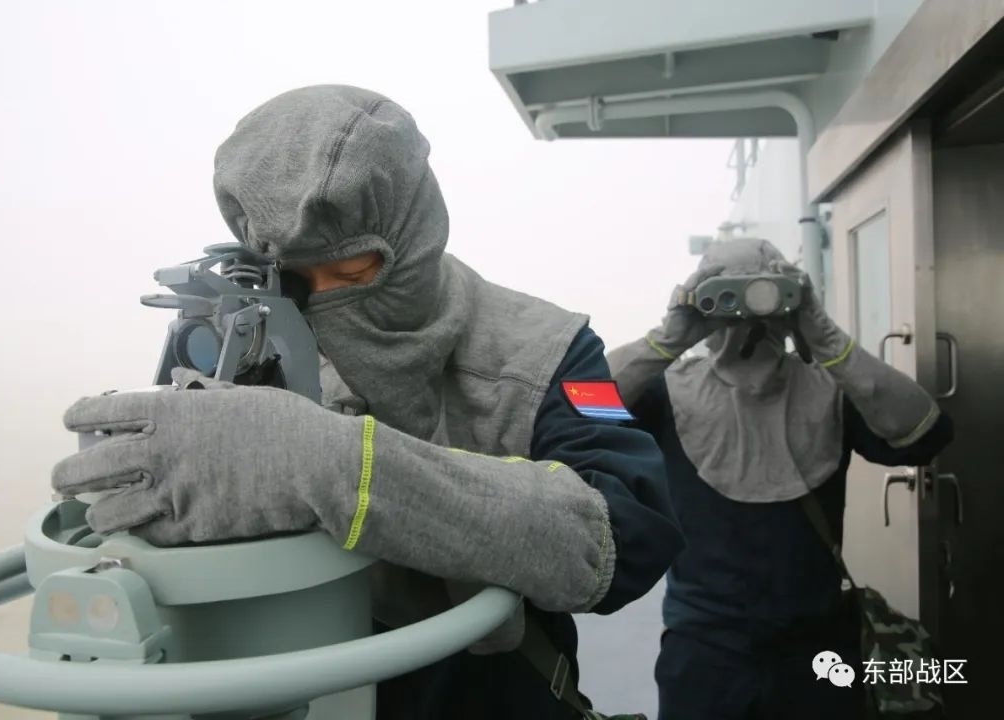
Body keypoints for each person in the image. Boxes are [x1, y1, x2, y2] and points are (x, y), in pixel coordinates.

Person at [50, 85, 681, 719]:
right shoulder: (257, 332)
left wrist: (335, 468)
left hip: (487, 690)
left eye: (352, 272)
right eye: (299, 277)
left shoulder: (549, 349)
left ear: (415, 235)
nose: (326, 297)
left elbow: (628, 538)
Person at [607, 238, 954, 720]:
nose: (747, 316)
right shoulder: (669, 393)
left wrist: (825, 337)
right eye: (726, 296)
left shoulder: (829, 391)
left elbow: (925, 433)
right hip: (706, 648)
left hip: (816, 648)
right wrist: (668, 339)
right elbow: (579, 405)